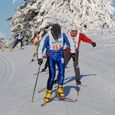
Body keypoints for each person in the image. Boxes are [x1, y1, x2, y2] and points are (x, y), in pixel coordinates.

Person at [37, 24, 70, 103]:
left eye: (57, 34)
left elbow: (70, 42)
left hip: (60, 56)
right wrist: (39, 58)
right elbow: (41, 47)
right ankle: (48, 93)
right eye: (55, 34)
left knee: (62, 72)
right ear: (52, 31)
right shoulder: (47, 36)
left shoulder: (63, 34)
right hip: (51, 57)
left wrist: (72, 52)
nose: (56, 35)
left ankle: (60, 89)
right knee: (52, 75)